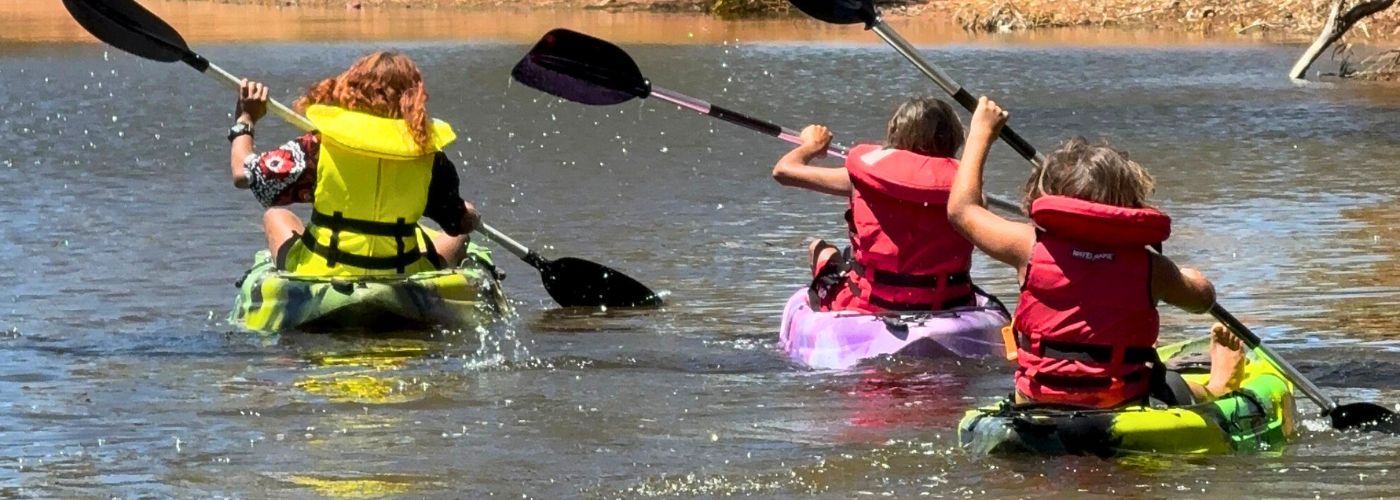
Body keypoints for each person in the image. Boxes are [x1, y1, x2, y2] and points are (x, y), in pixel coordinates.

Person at [947, 96, 1246, 408]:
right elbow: (1202, 301)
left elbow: (961, 210)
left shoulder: (1028, 247)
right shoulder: (1152, 267)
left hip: (1037, 397)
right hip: (1119, 399)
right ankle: (1218, 386)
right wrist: (1192, 277)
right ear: (1129, 204)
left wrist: (981, 132)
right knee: (1171, 382)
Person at [227, 51, 480, 277]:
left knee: (276, 214)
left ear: (351, 89)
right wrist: (469, 213)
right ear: (414, 99)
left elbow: (243, 174)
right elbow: (457, 224)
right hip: (399, 273)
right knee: (458, 237)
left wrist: (245, 118)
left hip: (323, 270)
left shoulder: (318, 145)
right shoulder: (430, 156)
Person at [772, 96, 999, 315]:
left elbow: (783, 171)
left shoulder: (859, 179)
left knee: (821, 249)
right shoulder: (967, 193)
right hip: (947, 304)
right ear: (954, 139)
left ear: (895, 135)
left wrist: (812, 145)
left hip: (870, 303)